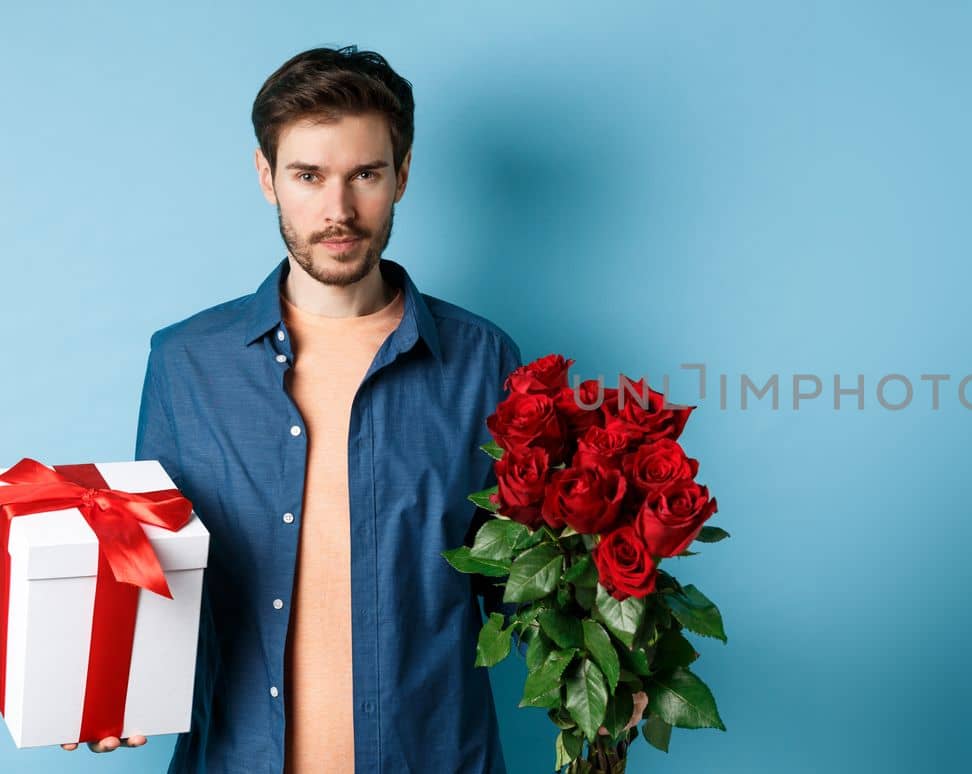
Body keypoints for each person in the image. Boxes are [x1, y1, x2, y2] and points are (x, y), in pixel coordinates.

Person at [57, 45, 643, 770]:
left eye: (364, 174)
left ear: (401, 176)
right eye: (309, 176)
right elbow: (151, 569)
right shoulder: (186, 363)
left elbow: (522, 583)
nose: (338, 211)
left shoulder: (484, 360)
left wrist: (613, 660)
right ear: (267, 178)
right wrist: (105, 689)